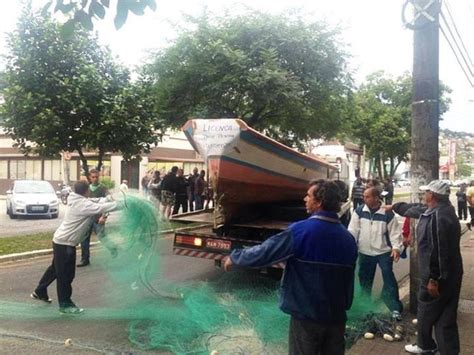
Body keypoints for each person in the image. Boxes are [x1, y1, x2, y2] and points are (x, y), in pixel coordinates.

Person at [224, 180, 358, 355]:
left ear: (319, 202)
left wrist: (235, 257)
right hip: (336, 318)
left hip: (306, 317)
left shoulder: (301, 231)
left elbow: (266, 252)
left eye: (308, 196)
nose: (304, 199)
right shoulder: (348, 239)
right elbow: (348, 283)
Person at [391, 180, 463, 354]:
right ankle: (449, 351)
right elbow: (416, 209)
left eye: (426, 192)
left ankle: (425, 346)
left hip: (437, 277)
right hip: (451, 274)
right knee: (446, 317)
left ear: (433, 195)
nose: (424, 195)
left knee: (425, 310)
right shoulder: (442, 210)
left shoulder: (438, 218)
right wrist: (395, 206)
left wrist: (434, 279)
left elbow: (437, 252)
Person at [30, 181, 120, 314]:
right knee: (65, 275)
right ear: (86, 191)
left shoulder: (77, 199)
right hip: (65, 243)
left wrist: (106, 198)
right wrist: (123, 204)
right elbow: (101, 208)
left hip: (61, 241)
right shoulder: (82, 204)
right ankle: (65, 305)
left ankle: (40, 291)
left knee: (56, 269)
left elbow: (94, 201)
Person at [347, 186, 403, 320]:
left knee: (389, 279)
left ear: (376, 198)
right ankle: (365, 308)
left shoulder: (387, 213)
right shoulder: (359, 211)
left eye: (367, 196)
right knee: (365, 281)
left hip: (384, 252)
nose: (363, 198)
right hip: (365, 252)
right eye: (364, 196)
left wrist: (396, 248)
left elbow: (395, 233)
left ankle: (395, 308)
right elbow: (352, 231)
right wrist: (349, 245)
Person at [78, 169, 109, 267]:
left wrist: (104, 216)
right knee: (84, 239)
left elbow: (108, 203)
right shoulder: (87, 188)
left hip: (98, 218)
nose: (95, 179)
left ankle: (113, 249)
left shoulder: (103, 188)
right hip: (87, 218)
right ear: (90, 177)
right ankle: (85, 259)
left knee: (102, 237)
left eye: (97, 177)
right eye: (93, 177)